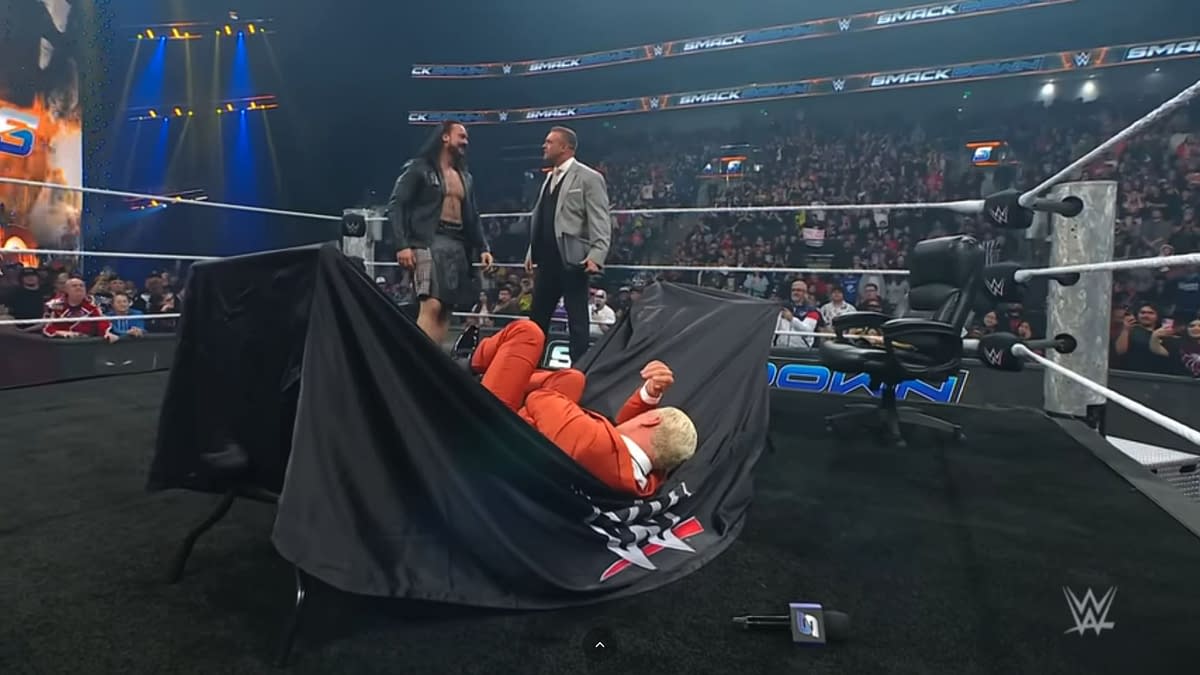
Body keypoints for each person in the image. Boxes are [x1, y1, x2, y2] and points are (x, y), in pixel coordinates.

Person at [470, 320, 697, 497]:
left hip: (494, 433)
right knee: (573, 379)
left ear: (651, 421)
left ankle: (470, 361)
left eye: (647, 414)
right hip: (537, 442)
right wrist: (650, 394)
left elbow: (542, 398)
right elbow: (629, 435)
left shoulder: (593, 443)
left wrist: (566, 411)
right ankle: (495, 373)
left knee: (528, 333)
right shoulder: (648, 478)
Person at [388, 121, 494, 343]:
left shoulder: (465, 177)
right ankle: (419, 359)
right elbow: (397, 205)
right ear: (445, 137)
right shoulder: (419, 168)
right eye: (461, 136)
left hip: (457, 243)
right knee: (431, 304)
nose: (466, 141)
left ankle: (434, 361)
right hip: (428, 239)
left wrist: (484, 247)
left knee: (446, 307)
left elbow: (473, 216)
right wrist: (402, 245)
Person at [524, 126, 613, 362]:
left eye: (549, 142)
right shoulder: (548, 178)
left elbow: (600, 219)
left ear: (566, 147)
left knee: (577, 323)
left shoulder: (588, 177)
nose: (544, 146)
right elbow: (543, 217)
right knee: (536, 321)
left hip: (573, 260)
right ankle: (529, 370)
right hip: (546, 261)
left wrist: (597, 254)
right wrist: (532, 251)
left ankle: (579, 374)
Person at [42, 278, 117, 342]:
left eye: (81, 286)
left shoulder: (92, 304)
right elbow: (46, 328)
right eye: (74, 286)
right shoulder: (54, 305)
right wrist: (60, 333)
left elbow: (102, 322)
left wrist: (106, 333)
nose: (79, 288)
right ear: (66, 290)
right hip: (62, 345)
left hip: (86, 343)